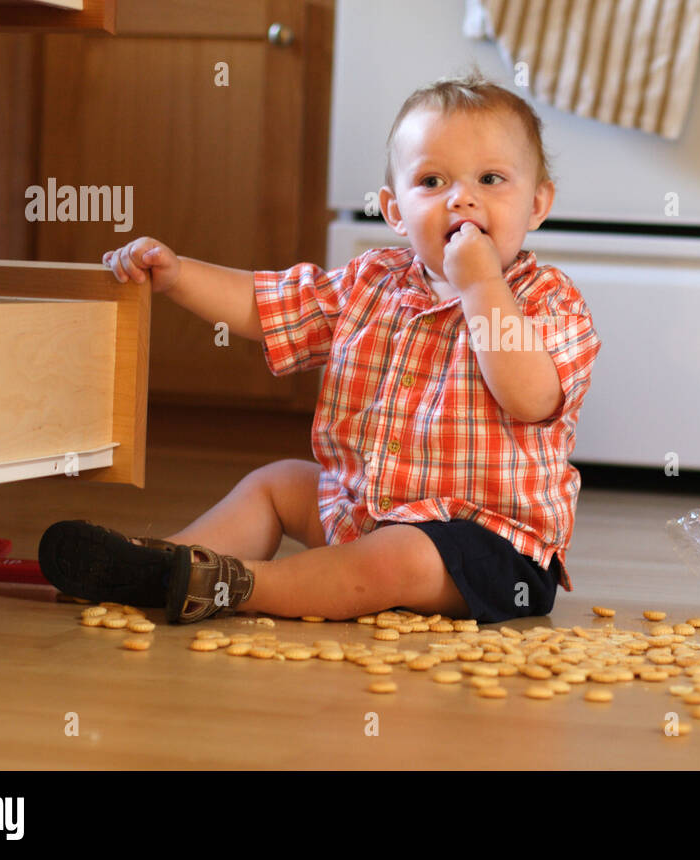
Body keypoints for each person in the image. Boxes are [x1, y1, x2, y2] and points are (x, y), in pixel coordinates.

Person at [39, 69, 603, 625]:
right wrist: (178, 275)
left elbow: (529, 397)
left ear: (536, 204)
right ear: (394, 211)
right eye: (432, 183)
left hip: (491, 548)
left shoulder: (547, 300)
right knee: (277, 484)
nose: (462, 201)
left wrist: (481, 285)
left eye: (491, 180)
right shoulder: (369, 283)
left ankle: (242, 584)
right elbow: (267, 306)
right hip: (363, 512)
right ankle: (163, 565)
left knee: (402, 556)